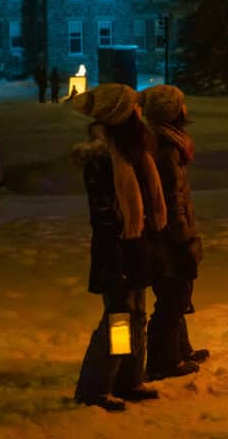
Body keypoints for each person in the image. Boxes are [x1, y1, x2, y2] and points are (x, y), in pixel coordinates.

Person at [71, 83, 167, 412]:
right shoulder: (102, 159)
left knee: (135, 315)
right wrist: (116, 258)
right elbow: (106, 216)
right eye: (135, 107)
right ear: (121, 115)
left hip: (135, 244)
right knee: (119, 318)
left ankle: (128, 379)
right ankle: (97, 386)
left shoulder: (132, 152)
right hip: (116, 249)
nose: (141, 111)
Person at [138, 85, 209, 380]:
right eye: (181, 105)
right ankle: (162, 362)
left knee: (177, 293)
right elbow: (171, 197)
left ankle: (180, 350)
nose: (186, 110)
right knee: (173, 295)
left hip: (167, 232)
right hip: (167, 235)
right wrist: (182, 236)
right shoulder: (164, 146)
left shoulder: (165, 141)